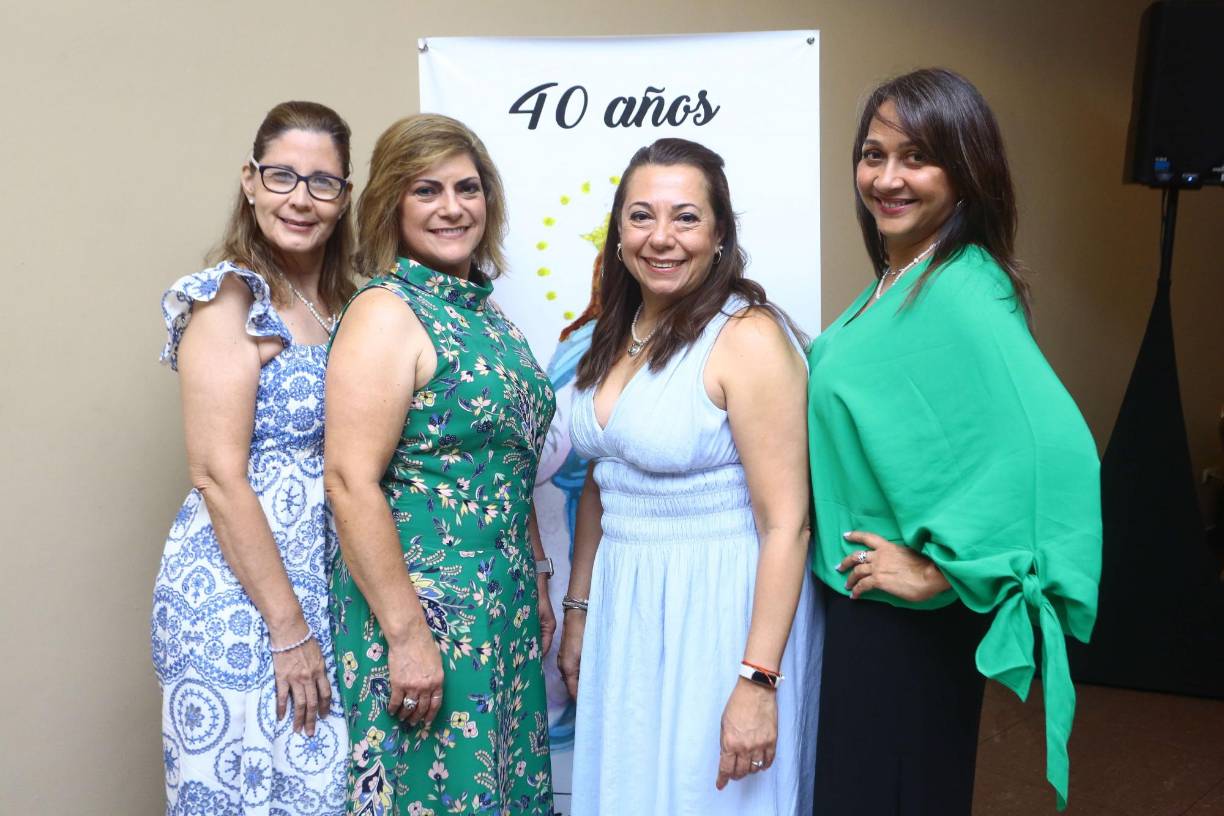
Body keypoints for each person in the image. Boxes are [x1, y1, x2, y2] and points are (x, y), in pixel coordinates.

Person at [807, 68, 1102, 813]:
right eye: (874, 155)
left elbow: (1056, 451)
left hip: (902, 628)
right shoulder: (905, 277)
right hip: (862, 613)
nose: (888, 177)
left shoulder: (966, 290)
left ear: (966, 172)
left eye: (917, 157)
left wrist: (941, 572)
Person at [558, 137, 821, 815]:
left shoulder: (749, 337)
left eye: (685, 217)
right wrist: (580, 613)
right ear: (618, 233)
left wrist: (758, 681)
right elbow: (599, 486)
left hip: (720, 611)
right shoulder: (616, 331)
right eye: (641, 216)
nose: (661, 237)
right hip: (628, 607)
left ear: (721, 234)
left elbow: (788, 522)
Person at [323, 114, 555, 815]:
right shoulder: (388, 312)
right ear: (393, 203)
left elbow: (513, 464)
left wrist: (538, 580)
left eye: (468, 188)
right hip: (427, 617)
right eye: (427, 190)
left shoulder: (488, 316)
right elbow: (348, 479)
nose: (453, 208)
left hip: (502, 607)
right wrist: (406, 635)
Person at [152, 100, 355, 814]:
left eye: (321, 182)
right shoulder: (228, 301)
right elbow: (215, 474)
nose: (300, 198)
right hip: (243, 597)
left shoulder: (350, 302)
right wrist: (287, 627)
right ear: (250, 181)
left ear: (345, 197)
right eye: (281, 176)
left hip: (329, 579)